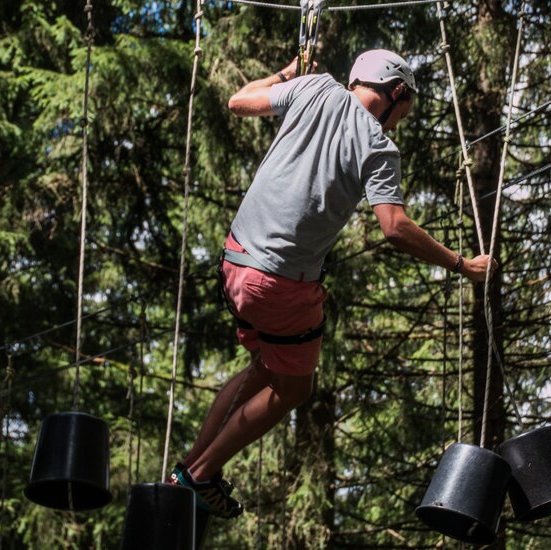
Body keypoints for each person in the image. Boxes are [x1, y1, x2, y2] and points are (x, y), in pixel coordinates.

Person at [168, 50, 496, 518]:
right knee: (294, 389)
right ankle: (201, 473)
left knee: (266, 366)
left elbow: (238, 102)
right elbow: (395, 227)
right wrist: (462, 264)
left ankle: (192, 471)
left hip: (236, 263)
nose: (400, 121)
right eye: (405, 109)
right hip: (279, 282)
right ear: (395, 92)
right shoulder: (378, 148)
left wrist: (288, 69)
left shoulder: (313, 86)